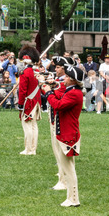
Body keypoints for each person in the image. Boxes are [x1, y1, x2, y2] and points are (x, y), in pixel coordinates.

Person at [41, 65, 84, 207]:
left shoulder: (74, 93)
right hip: (65, 132)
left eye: (66, 77)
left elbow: (57, 104)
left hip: (68, 133)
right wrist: (48, 86)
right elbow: (59, 95)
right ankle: (70, 198)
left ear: (72, 80)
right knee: (67, 168)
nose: (63, 78)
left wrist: (48, 92)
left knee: (69, 169)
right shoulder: (71, 90)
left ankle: (74, 199)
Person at [45, 55, 75, 190]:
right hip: (54, 118)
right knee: (56, 151)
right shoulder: (60, 82)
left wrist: (48, 90)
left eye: (58, 67)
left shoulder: (65, 84)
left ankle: (63, 180)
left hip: (60, 120)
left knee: (60, 152)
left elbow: (58, 100)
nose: (55, 69)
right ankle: (61, 176)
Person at [17, 45, 42, 155]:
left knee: (27, 126)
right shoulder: (35, 71)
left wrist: (20, 105)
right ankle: (33, 149)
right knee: (33, 126)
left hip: (28, 101)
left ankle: (28, 149)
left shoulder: (25, 73)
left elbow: (22, 91)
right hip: (36, 101)